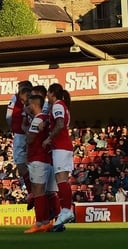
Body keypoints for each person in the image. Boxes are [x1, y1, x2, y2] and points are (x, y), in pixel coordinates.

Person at [24, 94, 56, 233]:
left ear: (35, 105)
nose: (28, 107)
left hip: (38, 158)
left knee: (38, 192)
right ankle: (46, 222)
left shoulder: (38, 119)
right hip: (46, 159)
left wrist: (26, 131)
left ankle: (40, 223)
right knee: (44, 192)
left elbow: (30, 139)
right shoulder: (46, 118)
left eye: (29, 104)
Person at [45, 84, 75, 231]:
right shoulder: (62, 105)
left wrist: (49, 138)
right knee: (62, 180)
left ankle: (66, 210)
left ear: (52, 94)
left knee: (61, 179)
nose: (47, 97)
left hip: (61, 147)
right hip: (65, 147)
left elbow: (60, 124)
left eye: (48, 94)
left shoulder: (57, 105)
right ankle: (65, 211)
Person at [7, 81, 33, 192]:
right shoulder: (37, 99)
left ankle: (30, 188)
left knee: (21, 163)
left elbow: (8, 116)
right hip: (33, 134)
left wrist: (12, 128)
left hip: (21, 134)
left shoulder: (15, 98)